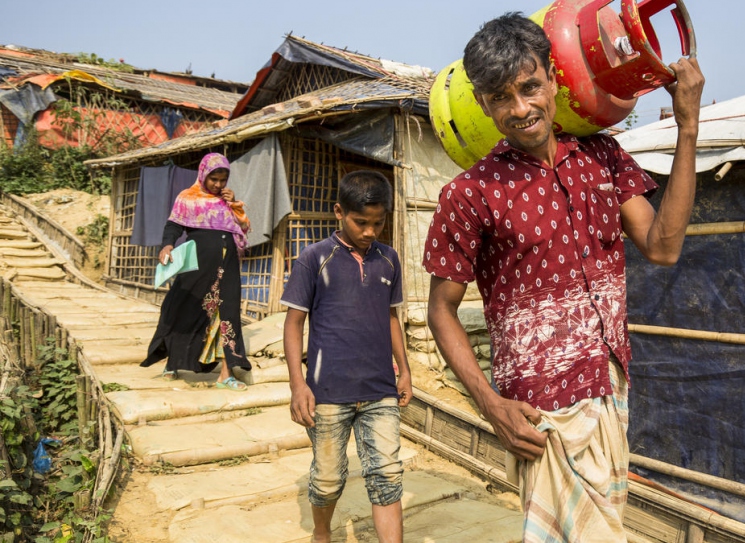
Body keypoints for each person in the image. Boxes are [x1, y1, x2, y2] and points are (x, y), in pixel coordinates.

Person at [423, 13, 704, 543]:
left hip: (611, 389)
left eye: (530, 88)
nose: (520, 109)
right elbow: (440, 310)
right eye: (500, 98)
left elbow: (663, 247)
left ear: (554, 80)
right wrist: (491, 405)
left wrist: (687, 127)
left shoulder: (601, 157)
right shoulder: (470, 193)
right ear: (483, 104)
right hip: (541, 412)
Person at [281, 170, 413, 543]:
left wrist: (404, 371)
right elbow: (294, 325)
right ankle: (321, 533)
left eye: (378, 222)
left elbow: (391, 318)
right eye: (361, 222)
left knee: (387, 473)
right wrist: (298, 384)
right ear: (339, 211)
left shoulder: (389, 260)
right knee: (327, 477)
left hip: (379, 389)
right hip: (328, 391)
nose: (370, 231)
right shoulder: (315, 258)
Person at [141, 152, 252, 391]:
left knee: (228, 315)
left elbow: (243, 227)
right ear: (203, 175)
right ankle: (173, 361)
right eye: (214, 179)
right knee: (182, 307)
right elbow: (174, 224)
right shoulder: (188, 198)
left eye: (223, 180)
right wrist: (168, 245)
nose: (219, 185)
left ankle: (225, 374)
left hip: (227, 265)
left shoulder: (227, 200)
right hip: (198, 266)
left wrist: (233, 204)